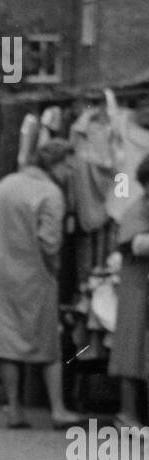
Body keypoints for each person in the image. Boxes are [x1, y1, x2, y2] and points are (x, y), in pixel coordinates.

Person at [0, 140, 81, 429]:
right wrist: (56, 272)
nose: (71, 171)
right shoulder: (51, 193)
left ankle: (14, 408)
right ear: (55, 164)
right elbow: (50, 242)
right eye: (68, 165)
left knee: (7, 342)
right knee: (49, 344)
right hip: (35, 276)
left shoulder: (6, 183)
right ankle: (58, 409)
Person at [108, 153, 149, 426]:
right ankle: (128, 415)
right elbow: (135, 244)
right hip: (137, 287)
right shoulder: (138, 207)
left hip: (140, 286)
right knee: (131, 352)